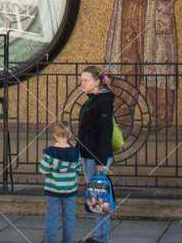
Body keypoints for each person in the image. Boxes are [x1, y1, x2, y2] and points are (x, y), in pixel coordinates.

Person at [76, 66, 114, 243]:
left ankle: (101, 238)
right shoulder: (93, 99)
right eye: (81, 80)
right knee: (95, 197)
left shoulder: (103, 101)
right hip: (88, 154)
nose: (81, 83)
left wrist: (101, 159)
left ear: (97, 82)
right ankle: (99, 236)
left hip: (96, 157)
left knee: (99, 198)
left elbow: (106, 131)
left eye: (85, 80)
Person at [39, 121, 80, 243]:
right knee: (69, 219)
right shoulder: (75, 153)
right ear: (69, 135)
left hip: (53, 191)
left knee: (51, 219)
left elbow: (43, 170)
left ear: (55, 135)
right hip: (70, 191)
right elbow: (77, 170)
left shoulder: (49, 153)